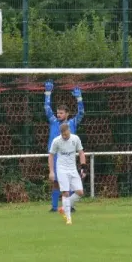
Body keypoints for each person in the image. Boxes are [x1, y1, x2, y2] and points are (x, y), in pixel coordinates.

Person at [44, 79, 85, 212]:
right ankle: (54, 207)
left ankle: (70, 206)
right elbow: (46, 108)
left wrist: (79, 99)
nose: (58, 114)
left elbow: (81, 113)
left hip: (70, 156)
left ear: (67, 114)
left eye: (61, 113)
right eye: (58, 112)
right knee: (56, 182)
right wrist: (48, 93)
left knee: (72, 182)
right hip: (56, 155)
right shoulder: (53, 121)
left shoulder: (72, 123)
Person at [49, 123, 88, 225]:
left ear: (69, 130)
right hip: (61, 170)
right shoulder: (56, 141)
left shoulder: (75, 139)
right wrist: (52, 171)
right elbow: (51, 156)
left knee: (80, 192)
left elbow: (81, 152)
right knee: (65, 192)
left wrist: (83, 168)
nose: (64, 136)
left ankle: (63, 207)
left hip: (73, 169)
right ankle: (68, 219)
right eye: (63, 134)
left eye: (66, 134)